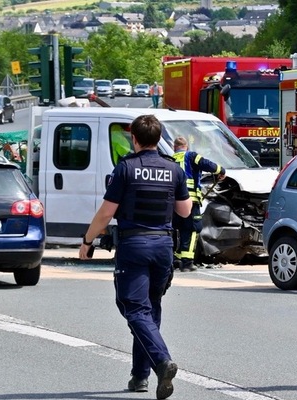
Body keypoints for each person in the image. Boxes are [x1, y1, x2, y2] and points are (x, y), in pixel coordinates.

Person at [79, 114, 191, 400]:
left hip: (135, 246)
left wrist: (87, 241)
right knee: (150, 308)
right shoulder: (173, 169)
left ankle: (161, 361)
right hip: (163, 247)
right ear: (159, 138)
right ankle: (140, 376)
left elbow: (106, 213)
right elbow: (185, 211)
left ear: (135, 138)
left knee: (134, 308)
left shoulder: (126, 168)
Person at [172, 136, 225, 272]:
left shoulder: (172, 159)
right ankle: (187, 262)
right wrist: (221, 170)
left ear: (174, 147)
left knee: (177, 228)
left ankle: (176, 258)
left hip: (173, 201)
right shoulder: (191, 156)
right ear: (187, 147)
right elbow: (207, 164)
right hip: (191, 200)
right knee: (193, 229)